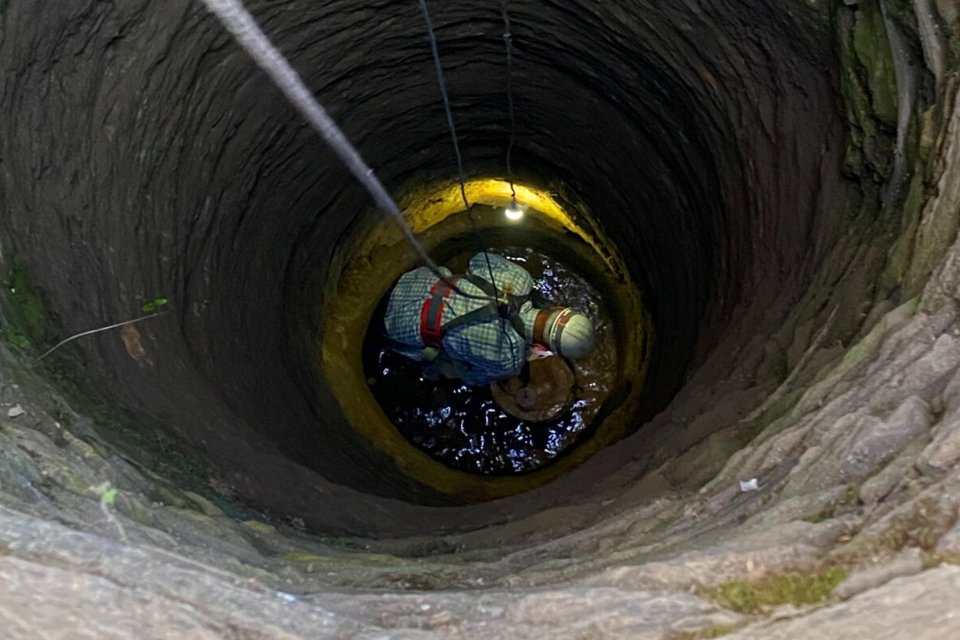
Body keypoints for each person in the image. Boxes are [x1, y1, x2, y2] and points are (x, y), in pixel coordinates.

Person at [383, 251, 596, 386]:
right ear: (541, 347)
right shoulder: (508, 361)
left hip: (414, 279)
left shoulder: (520, 278)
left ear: (558, 308)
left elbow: (477, 259)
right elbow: (471, 378)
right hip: (395, 325)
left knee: (448, 275)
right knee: (439, 363)